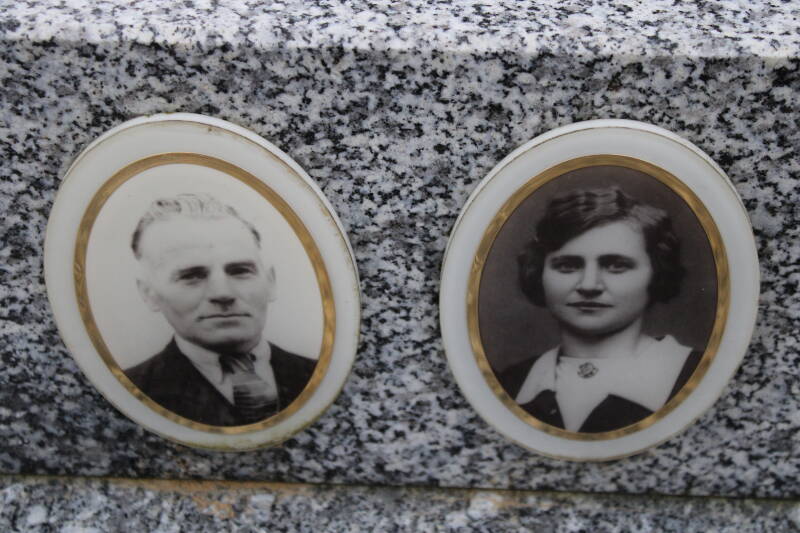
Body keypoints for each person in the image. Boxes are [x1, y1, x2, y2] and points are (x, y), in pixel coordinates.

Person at [498, 187, 702, 433]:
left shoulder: (700, 375)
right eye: (567, 266)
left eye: (616, 265)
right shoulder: (510, 384)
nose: (589, 285)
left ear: (657, 273)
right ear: (539, 273)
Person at [124, 193, 316, 427]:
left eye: (240, 271)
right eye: (192, 276)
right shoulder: (129, 394)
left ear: (270, 282)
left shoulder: (319, 375)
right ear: (149, 294)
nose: (223, 293)